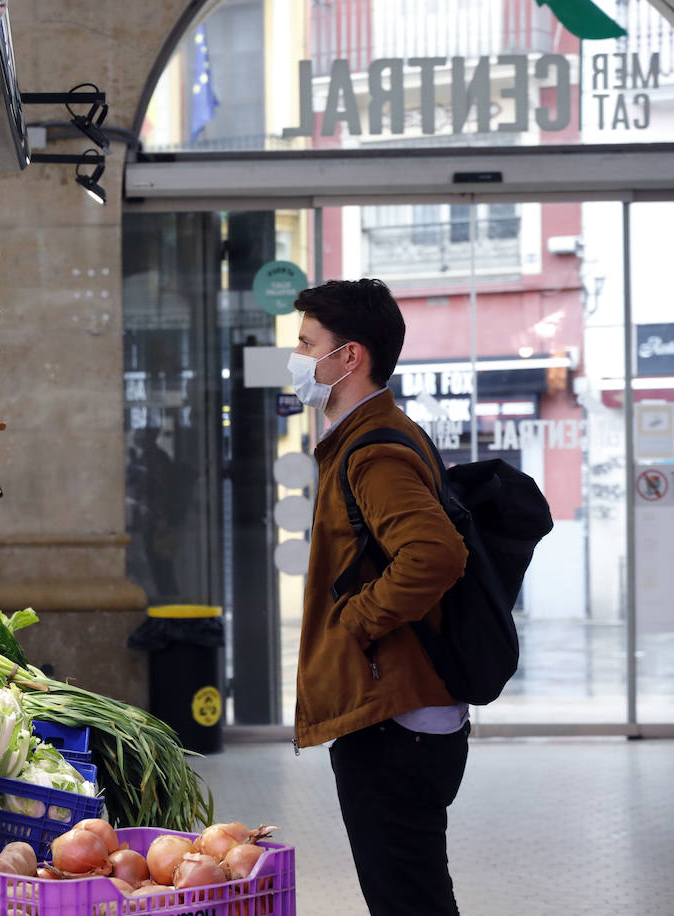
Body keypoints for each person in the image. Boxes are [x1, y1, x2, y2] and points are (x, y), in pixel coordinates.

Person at [288, 279, 470, 916]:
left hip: (396, 722)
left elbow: (436, 553)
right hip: (407, 714)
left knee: (408, 901)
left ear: (350, 356)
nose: (299, 356)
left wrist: (356, 621)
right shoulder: (377, 434)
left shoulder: (374, 452)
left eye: (308, 344)